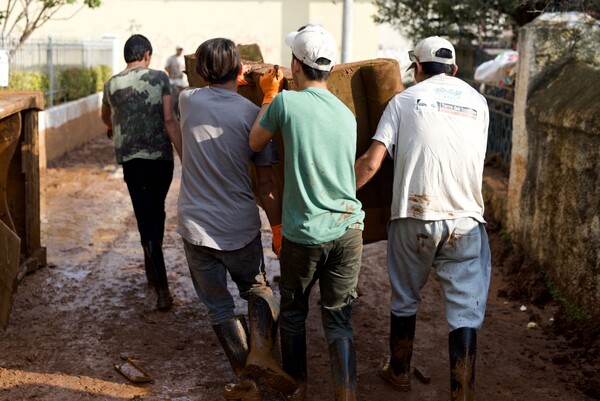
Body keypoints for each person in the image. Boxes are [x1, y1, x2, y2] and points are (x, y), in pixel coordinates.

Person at [354, 36, 491, 401]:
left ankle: (398, 371)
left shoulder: (404, 100)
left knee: (404, 299)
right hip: (466, 219)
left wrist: (334, 192)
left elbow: (371, 162)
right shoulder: (479, 102)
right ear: (455, 70)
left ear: (416, 69)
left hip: (413, 214)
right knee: (464, 311)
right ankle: (462, 391)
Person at [249, 24, 365, 401]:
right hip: (348, 230)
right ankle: (345, 394)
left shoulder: (286, 103)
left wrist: (268, 94)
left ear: (295, 64)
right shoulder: (347, 115)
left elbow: (255, 141)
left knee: (295, 314)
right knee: (339, 320)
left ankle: (297, 390)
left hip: (305, 234)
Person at [177, 38, 295, 401]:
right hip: (240, 227)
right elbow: (267, 182)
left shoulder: (187, 101)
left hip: (195, 227)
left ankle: (249, 382)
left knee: (219, 309)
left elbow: (201, 92)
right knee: (257, 290)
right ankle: (261, 354)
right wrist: (277, 229)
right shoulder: (252, 117)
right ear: (241, 70)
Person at [101, 34, 182, 312]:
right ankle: (161, 286)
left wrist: (113, 128)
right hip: (161, 159)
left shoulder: (111, 84)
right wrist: (185, 156)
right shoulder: (160, 78)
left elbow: (105, 116)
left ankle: (154, 273)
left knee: (145, 215)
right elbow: (170, 119)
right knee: (156, 211)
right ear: (146, 54)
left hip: (132, 161)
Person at [164, 44, 187, 116]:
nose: (180, 51)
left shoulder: (183, 59)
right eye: (179, 49)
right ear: (176, 50)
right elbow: (166, 67)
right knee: (173, 96)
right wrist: (170, 74)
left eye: (181, 49)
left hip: (180, 80)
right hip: (172, 80)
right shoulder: (171, 58)